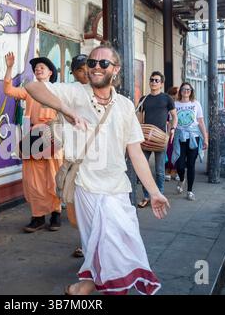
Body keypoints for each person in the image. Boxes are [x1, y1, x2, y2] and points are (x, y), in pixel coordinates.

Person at [25, 43, 170, 295]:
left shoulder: (125, 105)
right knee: (106, 248)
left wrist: (154, 192)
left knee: (121, 247)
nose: (96, 68)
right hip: (87, 186)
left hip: (118, 189)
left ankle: (85, 286)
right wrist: (66, 109)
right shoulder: (74, 92)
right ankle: (97, 287)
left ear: (116, 69)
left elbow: (135, 153)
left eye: (104, 63)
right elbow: (32, 87)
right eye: (92, 63)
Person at [3, 52, 63, 233]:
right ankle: (37, 217)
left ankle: (56, 213)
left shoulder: (59, 90)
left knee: (54, 177)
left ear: (50, 72)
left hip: (53, 136)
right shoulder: (29, 89)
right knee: (32, 179)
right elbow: (8, 90)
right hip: (33, 137)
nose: (38, 69)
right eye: (36, 68)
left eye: (42, 67)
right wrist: (9, 68)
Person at [137, 71, 178, 209]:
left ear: (161, 83)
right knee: (143, 168)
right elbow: (140, 118)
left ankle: (159, 195)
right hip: (146, 138)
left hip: (160, 139)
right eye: (152, 80)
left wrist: (172, 129)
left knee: (160, 170)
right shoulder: (144, 98)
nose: (153, 82)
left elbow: (174, 116)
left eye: (156, 80)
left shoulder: (167, 98)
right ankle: (146, 196)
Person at [172, 82, 208, 201]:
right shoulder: (175, 104)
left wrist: (205, 139)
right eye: (184, 89)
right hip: (179, 137)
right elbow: (172, 121)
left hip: (193, 137)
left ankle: (190, 191)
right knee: (180, 164)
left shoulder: (196, 104)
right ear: (180, 91)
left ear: (191, 91)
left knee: (191, 165)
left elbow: (201, 122)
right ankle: (182, 179)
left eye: (188, 89)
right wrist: (169, 134)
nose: (186, 91)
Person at [69, 53, 89, 259]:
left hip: (98, 155)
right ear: (73, 73)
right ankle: (85, 243)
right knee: (79, 204)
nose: (84, 74)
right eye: (79, 70)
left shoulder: (100, 90)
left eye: (86, 69)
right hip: (75, 154)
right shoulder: (70, 92)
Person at [165, 86, 179, 181]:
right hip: (169, 131)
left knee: (178, 151)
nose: (175, 96)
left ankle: (176, 170)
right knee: (169, 151)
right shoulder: (167, 104)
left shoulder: (180, 104)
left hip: (180, 132)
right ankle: (168, 170)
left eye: (176, 94)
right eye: (173, 94)